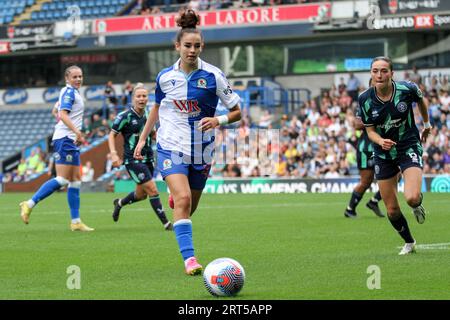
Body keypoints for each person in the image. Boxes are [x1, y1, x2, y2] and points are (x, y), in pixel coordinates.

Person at [133, 9, 242, 275]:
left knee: (189, 207)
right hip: (170, 145)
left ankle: (177, 199)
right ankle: (190, 260)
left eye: (196, 46)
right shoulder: (165, 78)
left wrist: (219, 121)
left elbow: (238, 112)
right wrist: (143, 139)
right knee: (182, 200)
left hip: (201, 150)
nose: (192, 50)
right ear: (177, 46)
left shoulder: (214, 76)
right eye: (187, 46)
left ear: (202, 47)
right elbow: (157, 108)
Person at [359, 56, 431, 255]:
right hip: (383, 153)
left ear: (392, 73)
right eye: (375, 71)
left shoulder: (407, 89)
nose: (379, 75)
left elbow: (421, 101)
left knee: (412, 198)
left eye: (383, 70)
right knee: (391, 210)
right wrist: (380, 141)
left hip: (407, 145)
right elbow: (370, 131)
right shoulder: (364, 99)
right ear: (371, 74)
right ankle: (409, 242)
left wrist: (426, 124)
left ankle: (418, 204)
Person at [19, 66, 94, 231]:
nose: (78, 79)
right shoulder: (69, 93)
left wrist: (69, 129)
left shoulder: (70, 92)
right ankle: (29, 204)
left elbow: (56, 111)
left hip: (68, 139)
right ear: (67, 78)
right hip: (65, 139)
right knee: (62, 179)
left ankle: (76, 222)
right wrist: (76, 132)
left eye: (80, 76)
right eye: (74, 76)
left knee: (75, 181)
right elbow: (63, 114)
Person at [108, 83, 172, 231]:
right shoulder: (125, 116)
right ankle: (167, 224)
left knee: (141, 195)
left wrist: (168, 144)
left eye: (144, 96)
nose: (142, 99)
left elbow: (153, 134)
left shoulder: (150, 115)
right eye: (139, 96)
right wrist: (113, 154)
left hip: (149, 158)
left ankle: (119, 203)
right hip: (133, 160)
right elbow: (112, 134)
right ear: (133, 99)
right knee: (153, 190)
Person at [344, 113, 385, 218]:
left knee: (396, 175)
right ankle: (350, 209)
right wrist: (377, 119)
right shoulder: (366, 102)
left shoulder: (389, 103)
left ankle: (374, 201)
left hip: (382, 147)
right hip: (366, 150)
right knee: (366, 181)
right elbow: (357, 125)